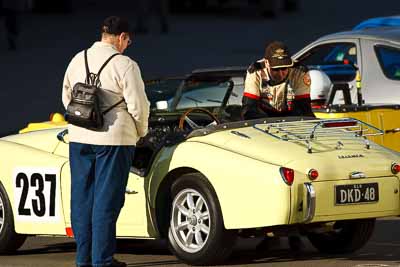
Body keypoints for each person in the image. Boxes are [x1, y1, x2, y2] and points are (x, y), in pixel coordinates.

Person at [62, 16, 150, 267]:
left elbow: (66, 96)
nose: (128, 45)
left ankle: (84, 259)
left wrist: (85, 121)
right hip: (115, 139)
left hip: (79, 137)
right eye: (128, 41)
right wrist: (140, 132)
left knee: (81, 198)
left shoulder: (78, 58)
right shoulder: (125, 64)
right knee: (106, 199)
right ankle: (102, 260)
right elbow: (139, 107)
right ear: (121, 37)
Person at [241, 41, 314, 120]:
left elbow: (304, 108)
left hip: (292, 114)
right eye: (276, 69)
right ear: (266, 63)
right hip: (262, 115)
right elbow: (249, 108)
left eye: (284, 68)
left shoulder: (300, 71)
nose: (280, 74)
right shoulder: (255, 71)